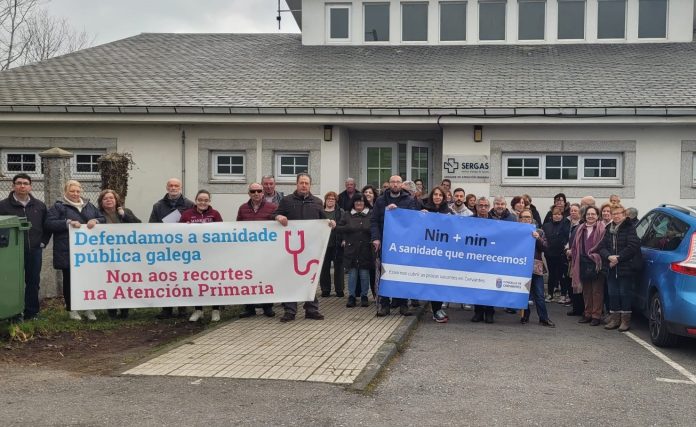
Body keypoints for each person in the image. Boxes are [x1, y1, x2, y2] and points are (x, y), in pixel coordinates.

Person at [274, 173, 335, 323]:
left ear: (310, 185)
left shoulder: (317, 202)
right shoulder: (287, 201)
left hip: (310, 247)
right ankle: (290, 311)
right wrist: (278, 217)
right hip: (291, 248)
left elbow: (323, 220)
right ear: (296, 184)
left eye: (306, 183)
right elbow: (275, 214)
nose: (304, 185)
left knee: (311, 279)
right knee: (291, 279)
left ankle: (311, 310)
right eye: (301, 183)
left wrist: (330, 223)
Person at [45, 180, 104, 321]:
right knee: (70, 281)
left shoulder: (89, 205)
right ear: (65, 191)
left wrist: (96, 221)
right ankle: (72, 309)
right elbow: (49, 223)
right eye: (72, 191)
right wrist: (67, 223)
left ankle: (89, 309)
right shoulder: (58, 206)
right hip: (67, 251)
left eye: (78, 191)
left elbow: (102, 218)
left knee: (88, 280)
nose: (75, 194)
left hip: (88, 252)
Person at [0, 173, 48, 320]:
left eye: (25, 183)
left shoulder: (39, 205)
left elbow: (46, 226)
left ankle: (31, 313)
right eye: (19, 183)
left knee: (33, 281)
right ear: (13, 186)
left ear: (30, 186)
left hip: (34, 250)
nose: (22, 186)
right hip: (10, 252)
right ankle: (13, 313)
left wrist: (42, 242)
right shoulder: (3, 205)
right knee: (11, 281)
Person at [371, 174, 418, 317]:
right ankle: (384, 305)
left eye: (398, 182)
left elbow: (413, 220)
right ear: (389, 184)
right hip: (385, 242)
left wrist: (398, 212)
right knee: (384, 273)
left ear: (402, 184)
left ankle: (403, 304)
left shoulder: (409, 200)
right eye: (393, 182)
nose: (395, 184)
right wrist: (376, 238)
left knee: (401, 273)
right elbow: (374, 221)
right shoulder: (380, 200)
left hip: (401, 243)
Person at [149, 178, 194, 319]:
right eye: (171, 185)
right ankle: (166, 309)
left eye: (176, 186)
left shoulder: (189, 204)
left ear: (181, 187)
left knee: (182, 277)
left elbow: (195, 224)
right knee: (165, 277)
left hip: (183, 248)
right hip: (165, 248)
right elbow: (152, 225)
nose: (173, 188)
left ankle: (182, 308)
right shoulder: (158, 206)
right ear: (167, 187)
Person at [596, 204, 641, 332]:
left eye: (618, 213)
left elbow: (632, 246)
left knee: (625, 294)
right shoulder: (608, 228)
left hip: (625, 268)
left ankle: (625, 321)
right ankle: (614, 319)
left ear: (624, 215)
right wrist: (609, 257)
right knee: (613, 294)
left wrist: (618, 258)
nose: (616, 216)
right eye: (613, 213)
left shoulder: (630, 228)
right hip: (611, 267)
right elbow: (601, 247)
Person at [180, 190, 223, 322]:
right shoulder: (187, 214)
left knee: (214, 281)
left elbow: (222, 231)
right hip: (194, 255)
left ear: (209, 201)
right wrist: (185, 228)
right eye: (200, 200)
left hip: (212, 254)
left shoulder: (215, 214)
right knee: (197, 281)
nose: (203, 202)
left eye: (205, 200)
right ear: (196, 200)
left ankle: (215, 310)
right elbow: (178, 233)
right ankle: (198, 310)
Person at [97, 189, 141, 319]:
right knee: (110, 282)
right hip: (106, 254)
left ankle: (124, 310)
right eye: (105, 199)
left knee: (124, 281)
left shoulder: (126, 212)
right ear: (101, 202)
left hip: (125, 254)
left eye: (111, 198)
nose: (109, 200)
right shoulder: (97, 214)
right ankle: (112, 311)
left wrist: (125, 216)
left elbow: (139, 225)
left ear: (116, 200)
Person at [236, 182, 277, 318]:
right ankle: (249, 308)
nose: (256, 193)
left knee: (266, 277)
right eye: (253, 191)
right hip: (248, 250)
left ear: (263, 192)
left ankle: (267, 307)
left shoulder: (272, 207)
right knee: (249, 278)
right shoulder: (242, 208)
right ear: (249, 193)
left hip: (266, 250)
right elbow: (238, 227)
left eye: (259, 191)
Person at [420, 186, 453, 322]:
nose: (437, 197)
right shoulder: (424, 209)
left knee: (440, 282)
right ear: (431, 196)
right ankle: (436, 310)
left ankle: (437, 308)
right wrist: (420, 216)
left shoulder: (449, 212)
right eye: (435, 194)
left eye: (440, 195)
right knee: (433, 281)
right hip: (428, 252)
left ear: (443, 197)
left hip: (443, 254)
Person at [519, 209, 555, 327]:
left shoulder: (539, 231)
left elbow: (546, 247)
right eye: (523, 217)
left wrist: (538, 238)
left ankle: (543, 318)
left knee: (539, 294)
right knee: (523, 293)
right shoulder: (516, 231)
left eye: (528, 217)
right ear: (520, 219)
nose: (526, 219)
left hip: (535, 267)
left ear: (532, 219)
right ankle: (525, 315)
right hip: (520, 266)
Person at [570, 206, 606, 326]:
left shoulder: (602, 228)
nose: (590, 216)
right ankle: (587, 313)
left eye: (593, 214)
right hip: (583, 262)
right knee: (586, 290)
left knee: (597, 291)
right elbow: (575, 245)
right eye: (588, 214)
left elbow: (603, 245)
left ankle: (596, 315)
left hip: (597, 262)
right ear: (585, 216)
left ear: (597, 216)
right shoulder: (580, 228)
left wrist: (595, 256)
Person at [336, 194, 373, 308]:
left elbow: (374, 228)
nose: (359, 203)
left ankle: (364, 296)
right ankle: (351, 296)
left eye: (361, 202)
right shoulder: (347, 214)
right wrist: (348, 228)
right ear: (353, 203)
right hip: (351, 249)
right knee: (352, 274)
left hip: (366, 249)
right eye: (356, 202)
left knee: (364, 274)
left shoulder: (370, 214)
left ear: (365, 203)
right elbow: (338, 228)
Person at [471, 197, 496, 324]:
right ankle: (478, 312)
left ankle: (490, 312)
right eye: (480, 205)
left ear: (489, 207)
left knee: (490, 286)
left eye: (486, 206)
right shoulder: (469, 221)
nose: (483, 208)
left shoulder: (496, 222)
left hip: (490, 259)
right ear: (476, 207)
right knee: (477, 285)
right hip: (475, 259)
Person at [542, 206, 570, 304]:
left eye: (559, 214)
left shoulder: (566, 225)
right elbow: (543, 239)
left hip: (562, 254)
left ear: (562, 215)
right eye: (555, 214)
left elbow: (568, 238)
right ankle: (550, 294)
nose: (557, 216)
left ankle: (563, 295)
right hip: (550, 254)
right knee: (552, 274)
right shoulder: (546, 226)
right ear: (552, 215)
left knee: (562, 275)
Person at [319, 191, 345, 298]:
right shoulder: (320, 211)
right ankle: (325, 289)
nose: (330, 200)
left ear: (336, 201)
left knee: (339, 268)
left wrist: (343, 238)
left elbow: (344, 226)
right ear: (325, 200)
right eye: (328, 198)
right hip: (323, 244)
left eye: (333, 199)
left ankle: (339, 289)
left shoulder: (340, 212)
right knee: (324, 268)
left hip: (337, 243)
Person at [565, 203, 585, 316]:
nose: (573, 212)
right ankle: (576, 307)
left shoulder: (581, 226)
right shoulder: (569, 224)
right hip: (571, 257)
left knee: (578, 284)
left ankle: (580, 308)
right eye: (571, 210)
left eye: (575, 210)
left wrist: (572, 251)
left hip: (579, 258)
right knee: (572, 282)